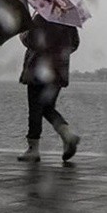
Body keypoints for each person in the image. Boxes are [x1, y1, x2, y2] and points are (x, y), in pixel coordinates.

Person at [17, 15, 80, 162]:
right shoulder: (68, 21)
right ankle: (67, 134)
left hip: (38, 70)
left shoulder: (40, 18)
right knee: (47, 107)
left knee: (35, 108)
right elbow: (75, 44)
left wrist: (23, 34)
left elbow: (32, 41)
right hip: (58, 71)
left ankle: (33, 149)